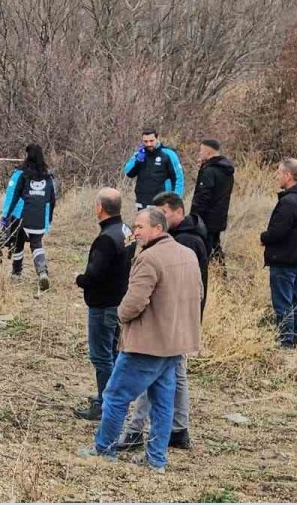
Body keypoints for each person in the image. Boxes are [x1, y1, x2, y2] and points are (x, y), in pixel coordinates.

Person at [78, 207, 202, 474]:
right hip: (175, 343)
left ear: (157, 229)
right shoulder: (188, 255)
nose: (135, 232)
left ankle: (104, 449)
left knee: (114, 395)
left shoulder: (149, 259)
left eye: (140, 227)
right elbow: (198, 294)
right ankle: (156, 459)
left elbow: (134, 303)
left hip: (146, 344)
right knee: (162, 402)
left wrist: (120, 316)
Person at [117, 192, 208, 451]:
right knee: (174, 376)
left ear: (178, 212)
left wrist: (122, 315)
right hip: (180, 320)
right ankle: (178, 429)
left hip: (169, 322)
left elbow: (191, 287)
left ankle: (137, 431)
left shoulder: (188, 243)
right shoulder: (185, 240)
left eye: (164, 214)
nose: (161, 221)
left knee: (155, 377)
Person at [73, 188, 133, 422]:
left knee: (102, 356)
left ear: (100, 207)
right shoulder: (127, 230)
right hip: (119, 300)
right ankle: (113, 397)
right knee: (114, 353)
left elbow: (93, 276)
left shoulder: (106, 239)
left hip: (103, 305)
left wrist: (79, 279)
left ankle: (106, 403)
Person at [260, 158, 297, 349]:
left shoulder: (289, 202)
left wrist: (264, 238)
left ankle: (286, 344)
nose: (276, 176)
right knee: (294, 300)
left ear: (288, 175)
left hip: (284, 258)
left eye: (279, 172)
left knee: (283, 303)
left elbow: (277, 232)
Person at [0, 144, 58, 293]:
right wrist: (49, 219)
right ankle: (42, 272)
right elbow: (52, 201)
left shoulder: (23, 174)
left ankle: (16, 273)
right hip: (39, 218)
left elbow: (14, 197)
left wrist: (6, 216)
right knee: (36, 244)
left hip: (22, 216)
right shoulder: (48, 177)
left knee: (18, 244)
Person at [189, 139, 235, 261]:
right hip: (219, 216)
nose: (199, 154)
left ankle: (210, 275)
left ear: (208, 152)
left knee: (206, 250)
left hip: (206, 219)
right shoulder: (226, 169)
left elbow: (203, 196)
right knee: (216, 248)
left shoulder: (210, 171)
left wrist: (194, 217)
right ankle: (221, 276)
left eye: (201, 151)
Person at [123, 129, 184, 210]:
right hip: (142, 202)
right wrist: (137, 160)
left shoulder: (168, 154)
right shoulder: (140, 154)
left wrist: (175, 200)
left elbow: (178, 178)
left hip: (161, 203)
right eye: (146, 141)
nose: (149, 144)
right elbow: (128, 173)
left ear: (157, 138)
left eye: (151, 141)